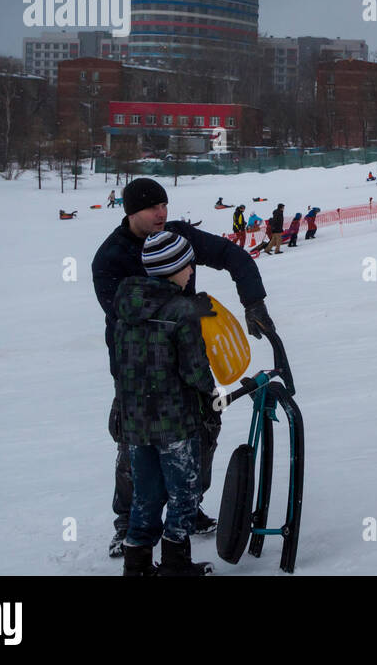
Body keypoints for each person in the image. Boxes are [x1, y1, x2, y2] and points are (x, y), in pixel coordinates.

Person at [92, 178, 274, 559]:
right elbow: (128, 317)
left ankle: (186, 509)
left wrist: (253, 301)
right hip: (137, 370)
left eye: (164, 205)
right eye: (151, 207)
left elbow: (232, 255)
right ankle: (127, 525)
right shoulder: (110, 257)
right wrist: (187, 310)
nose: (161, 213)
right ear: (131, 212)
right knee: (136, 445)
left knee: (203, 432)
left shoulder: (177, 235)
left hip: (187, 357)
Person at [114, 231, 217, 577]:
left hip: (135, 422)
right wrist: (210, 394)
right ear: (175, 267)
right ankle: (175, 564)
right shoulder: (181, 311)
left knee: (146, 494)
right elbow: (194, 370)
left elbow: (119, 364)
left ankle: (137, 565)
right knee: (184, 492)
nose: (192, 270)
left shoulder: (125, 307)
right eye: (189, 264)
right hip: (175, 421)